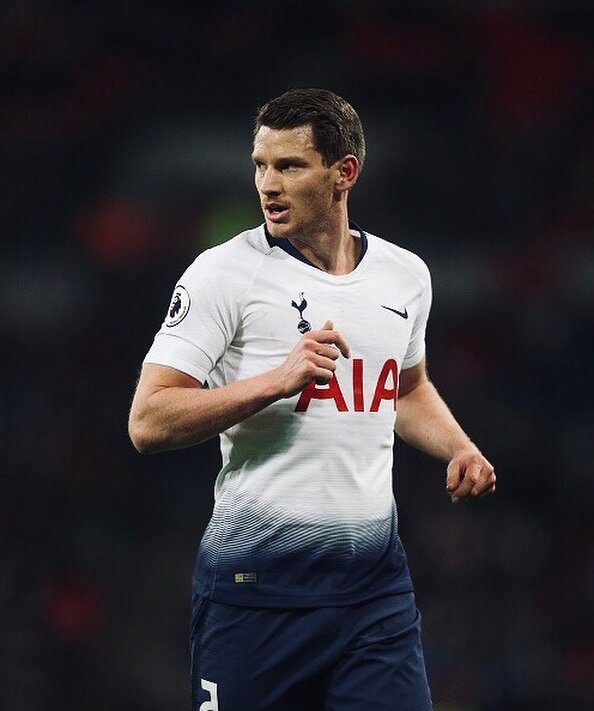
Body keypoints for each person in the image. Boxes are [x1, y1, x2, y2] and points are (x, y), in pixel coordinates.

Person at [128, 88, 496, 710]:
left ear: (343, 172)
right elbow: (148, 419)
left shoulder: (405, 276)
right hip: (256, 592)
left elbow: (406, 388)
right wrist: (277, 380)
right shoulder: (223, 274)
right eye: (260, 165)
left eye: (290, 166)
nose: (267, 185)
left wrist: (459, 447)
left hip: (373, 594)